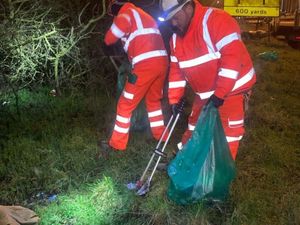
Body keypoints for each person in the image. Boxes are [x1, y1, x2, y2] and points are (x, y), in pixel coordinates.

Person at [159, 0, 256, 160]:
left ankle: (218, 175)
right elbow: (177, 72)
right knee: (194, 127)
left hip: (232, 91)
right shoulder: (175, 40)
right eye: (170, 21)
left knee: (227, 135)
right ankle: (184, 160)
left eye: (176, 17)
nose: (174, 24)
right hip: (204, 93)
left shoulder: (217, 20)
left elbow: (232, 59)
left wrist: (220, 95)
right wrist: (174, 100)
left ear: (188, 7)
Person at [101, 0, 169, 152]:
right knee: (154, 102)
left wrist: (106, 44)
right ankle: (161, 136)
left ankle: (117, 144)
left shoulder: (125, 13)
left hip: (145, 65)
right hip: (162, 63)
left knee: (125, 104)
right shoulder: (143, 15)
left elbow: (112, 36)